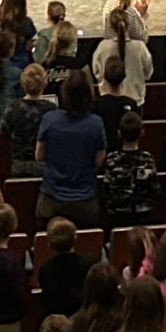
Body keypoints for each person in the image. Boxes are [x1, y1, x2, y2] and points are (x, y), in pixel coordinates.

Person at [36, 71, 106, 224]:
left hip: (51, 200)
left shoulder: (49, 119)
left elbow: (39, 156)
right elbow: (99, 160)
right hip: (85, 201)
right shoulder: (96, 123)